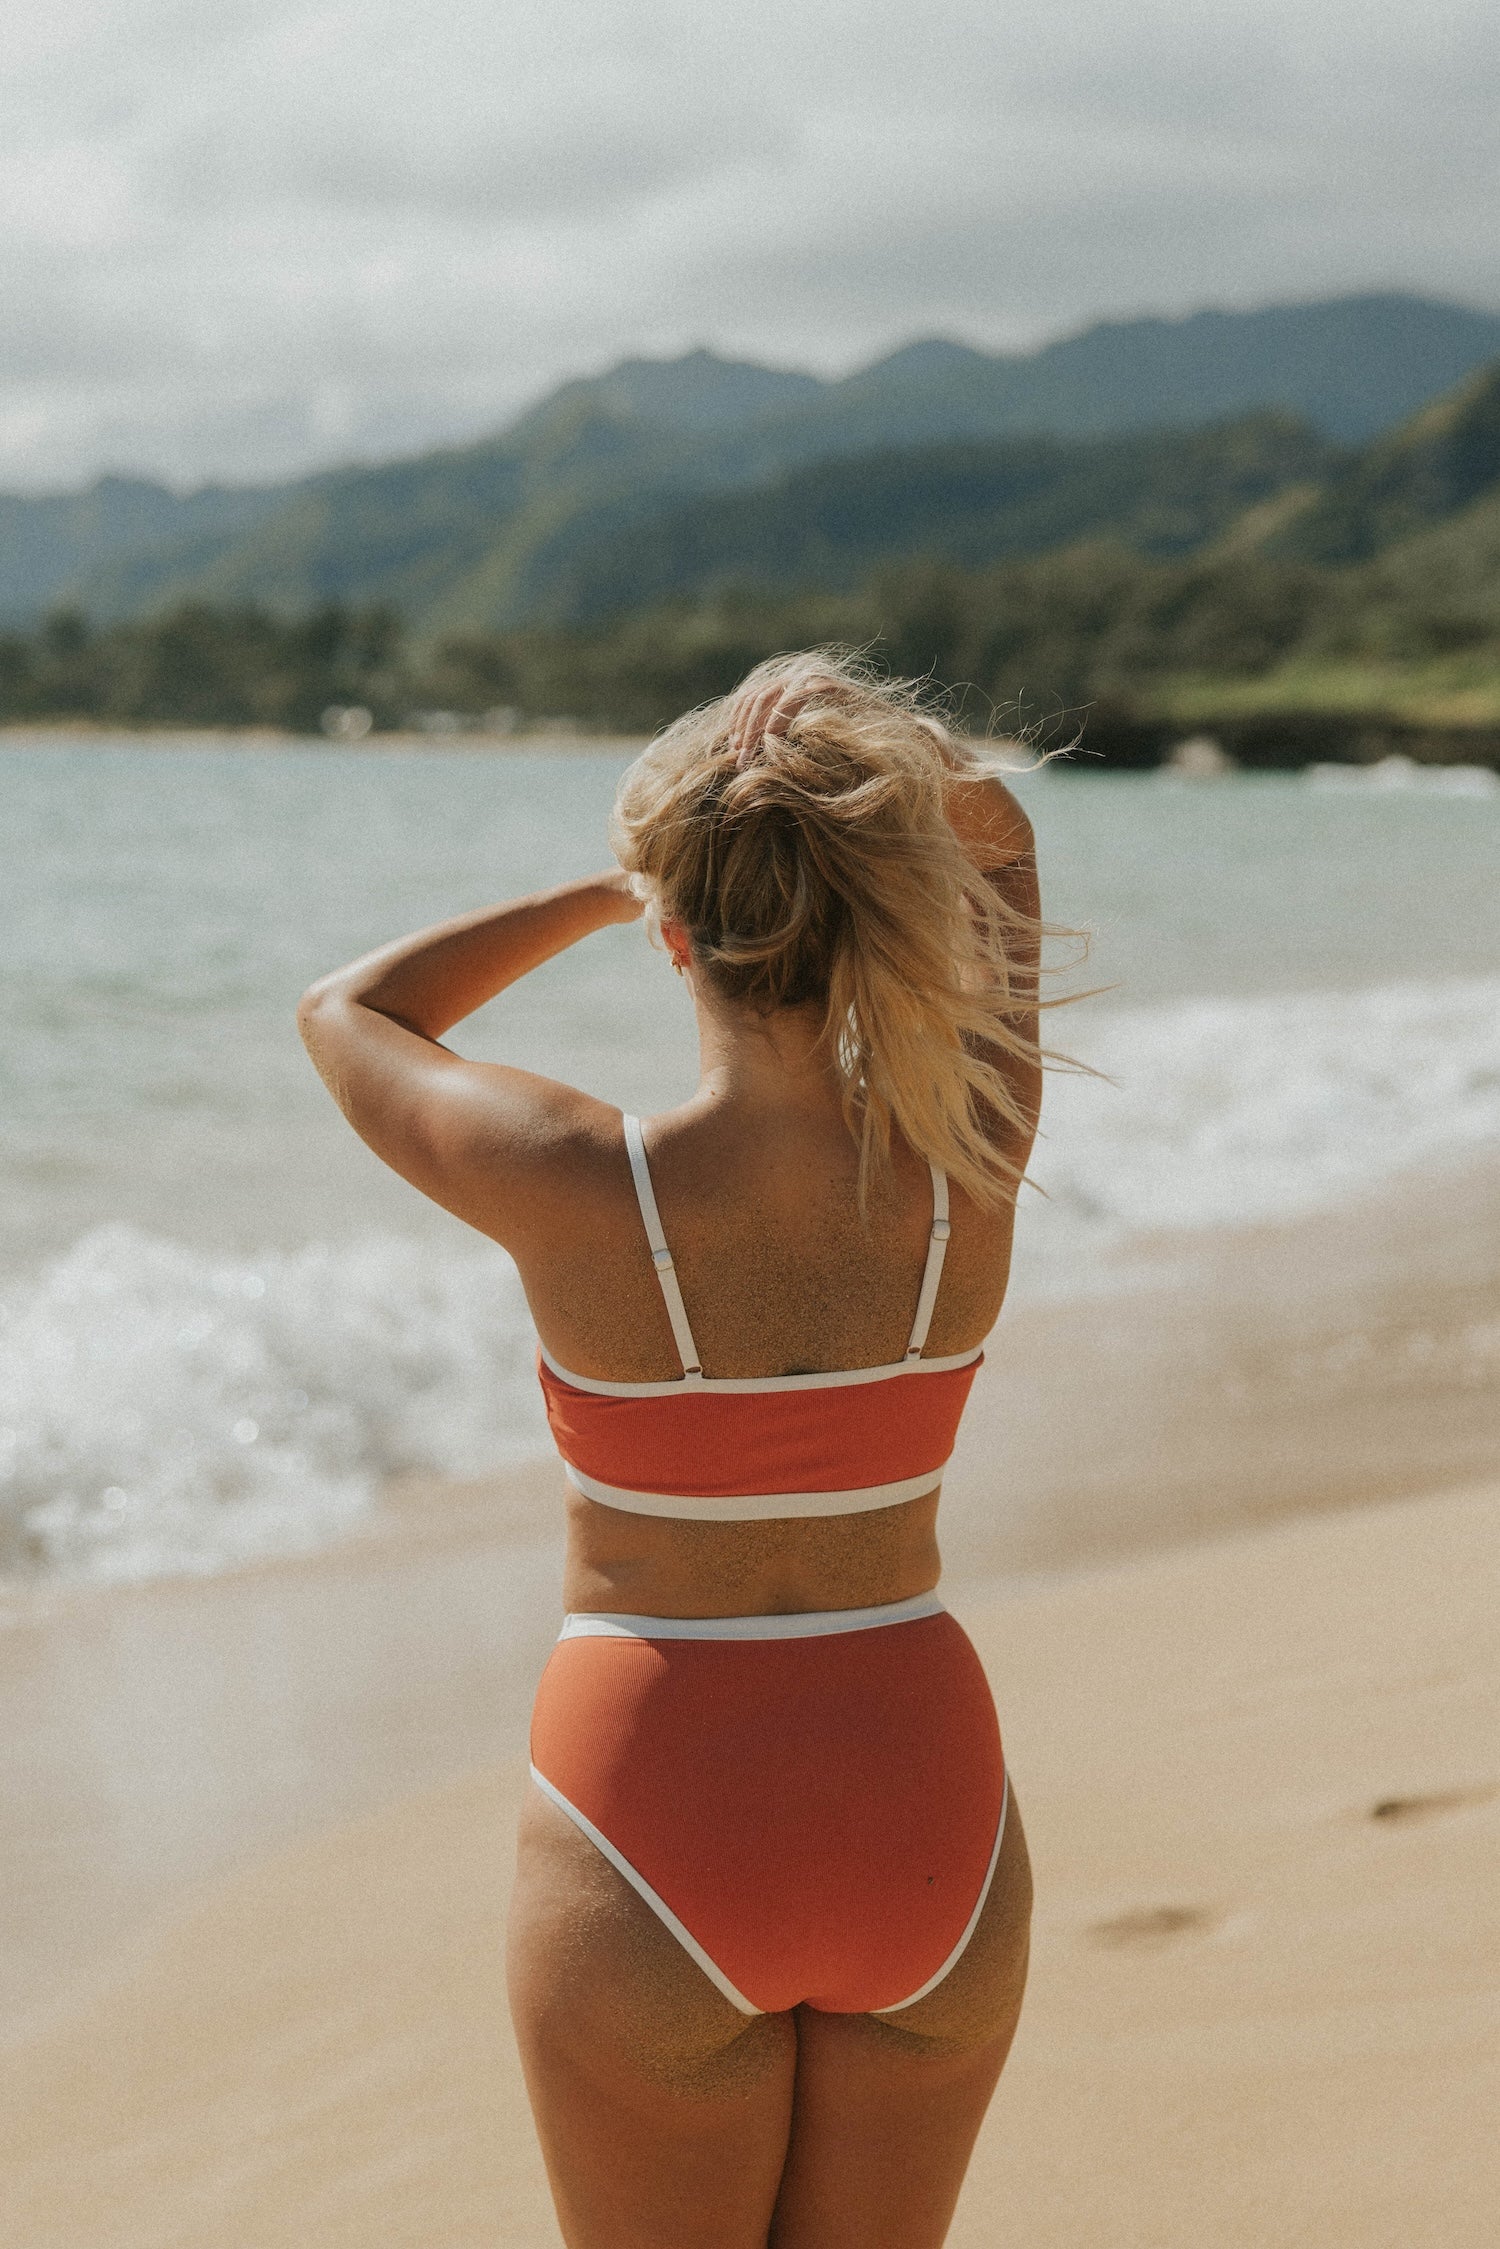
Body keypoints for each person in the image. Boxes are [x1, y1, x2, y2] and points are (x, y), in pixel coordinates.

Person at [298, 652, 1045, 2249]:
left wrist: (618, 876)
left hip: (655, 1810)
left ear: (675, 931)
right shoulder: (967, 1156)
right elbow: (998, 839)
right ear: (874, 903)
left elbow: (349, 1011)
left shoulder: (571, 1180)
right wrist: (856, 756)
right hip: (924, 1802)